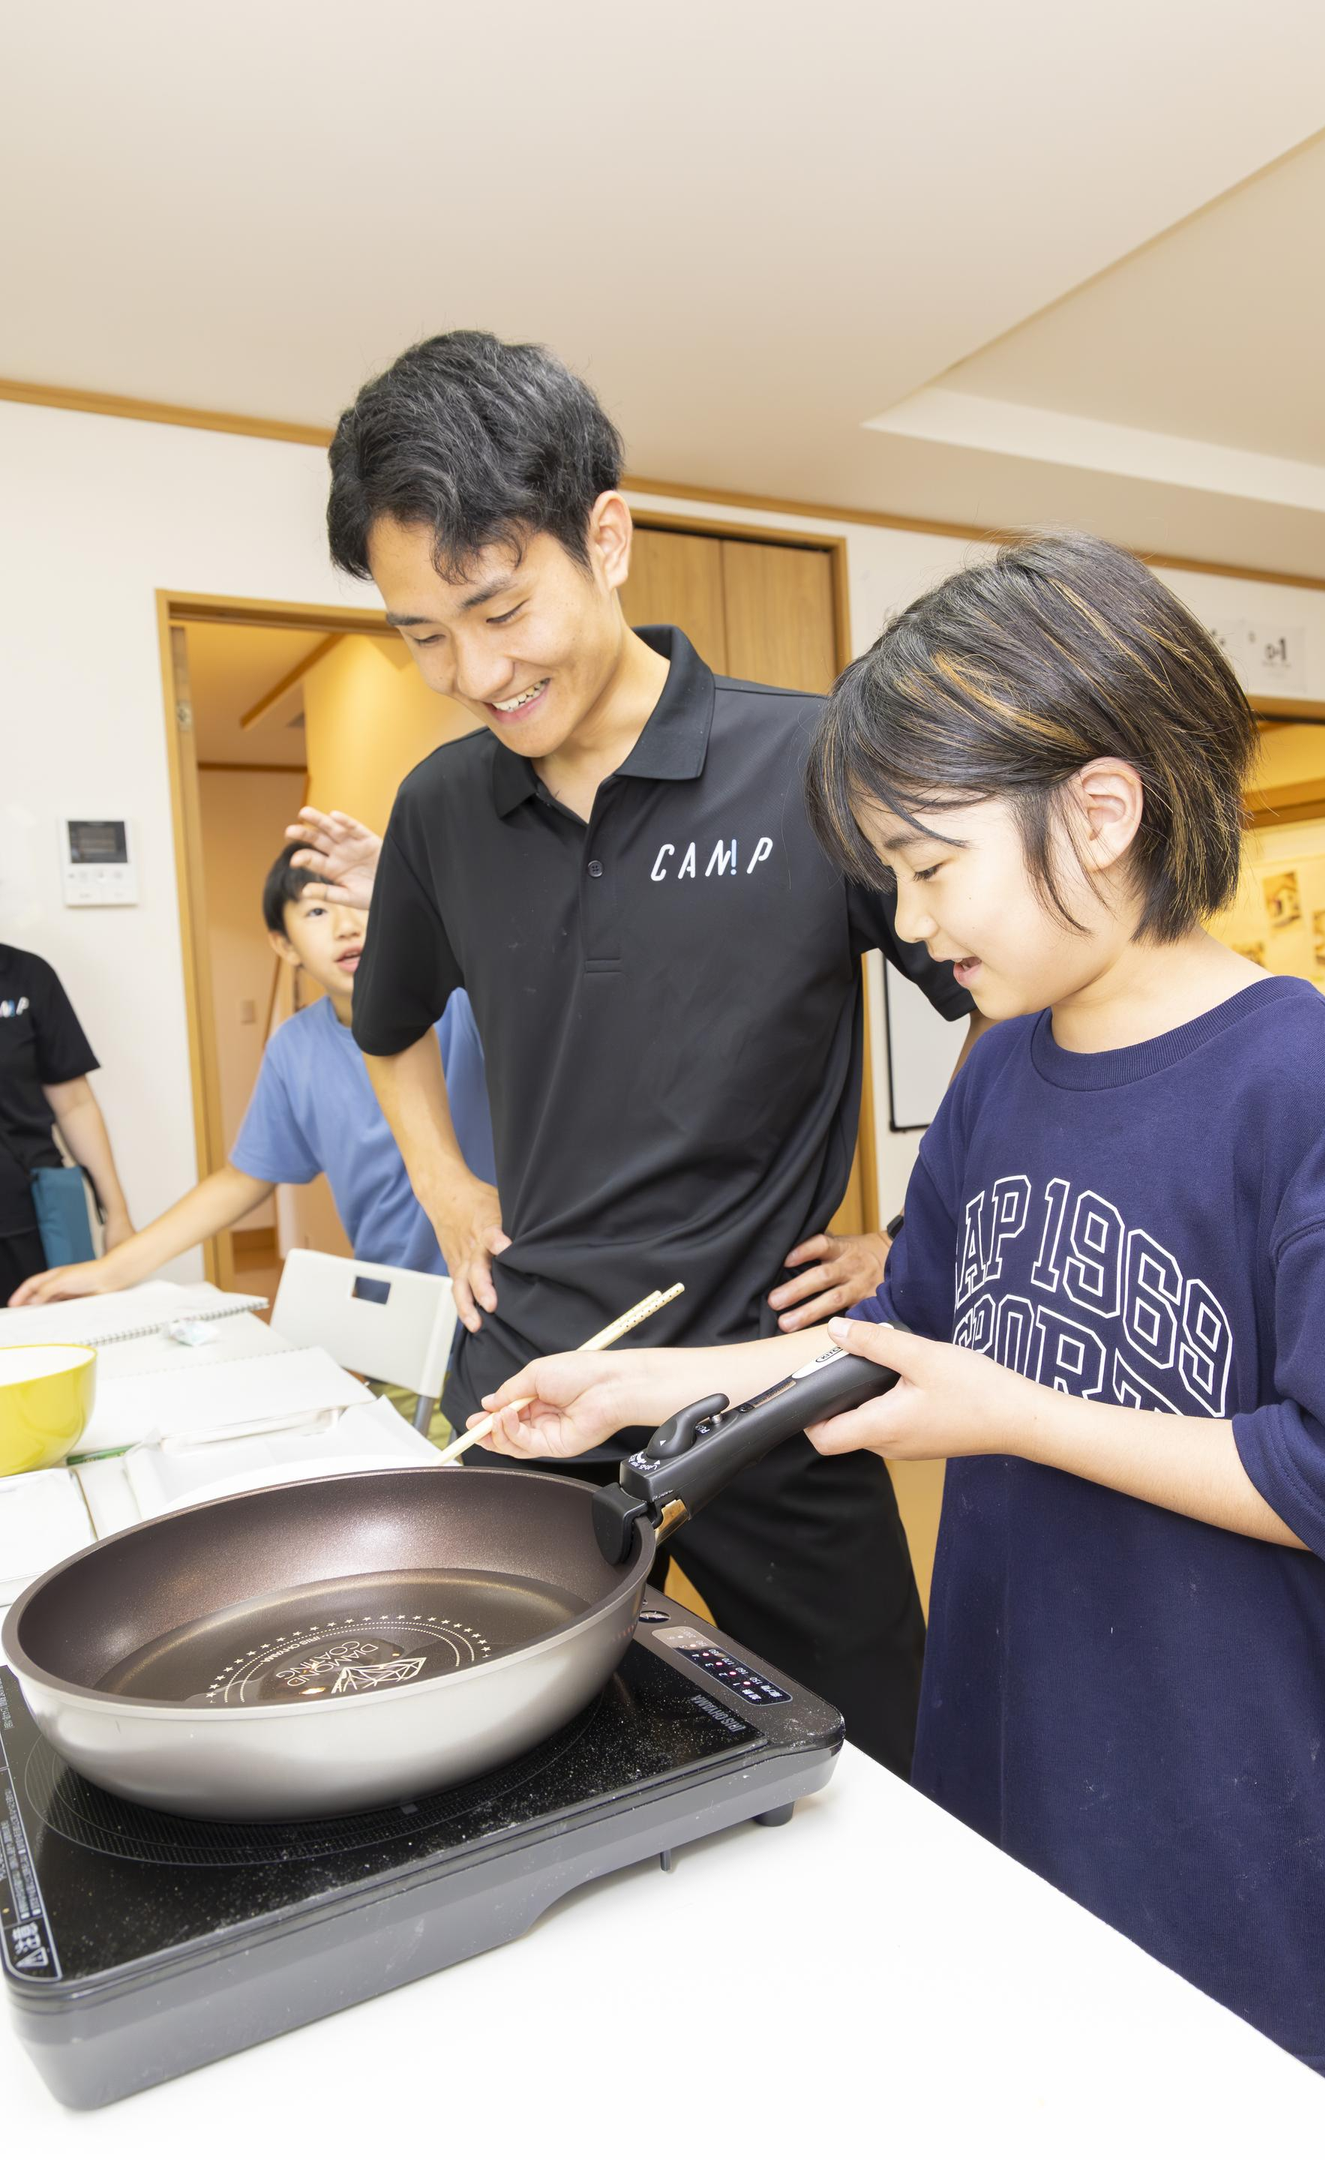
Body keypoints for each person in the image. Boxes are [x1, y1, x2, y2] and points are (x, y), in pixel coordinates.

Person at [471, 533, 1325, 2142]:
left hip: (1263, 1838)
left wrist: (1015, 1414)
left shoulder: (1304, 1088)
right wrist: (641, 1382)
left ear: (1103, 813)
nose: (911, 921)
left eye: (929, 866)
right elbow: (906, 1344)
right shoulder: (1000, 1075)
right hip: (1046, 1764)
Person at [307, 329, 975, 1777]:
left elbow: (1011, 998)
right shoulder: (440, 811)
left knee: (883, 1760)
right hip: (536, 1377)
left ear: (605, 538)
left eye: (500, 609)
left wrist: (922, 1235)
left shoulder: (812, 767)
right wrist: (446, 1187)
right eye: (424, 635)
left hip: (771, 1383)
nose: (475, 671)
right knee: (500, 1756)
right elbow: (389, 1026)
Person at [12, 849, 495, 1438]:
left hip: (500, 1306)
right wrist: (110, 1270)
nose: (347, 925)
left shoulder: (467, 1004)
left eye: (360, 902)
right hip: (396, 1323)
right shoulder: (295, 1048)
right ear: (284, 946)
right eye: (317, 911)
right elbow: (244, 1177)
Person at [0, 942, 132, 1304]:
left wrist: (117, 1214)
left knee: (55, 1333)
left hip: (33, 1214)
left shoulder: (27, 975)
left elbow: (75, 1104)